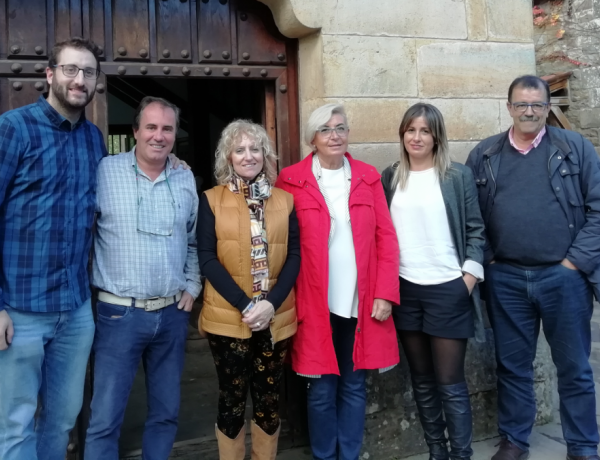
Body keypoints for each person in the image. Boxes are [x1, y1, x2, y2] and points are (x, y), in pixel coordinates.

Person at [466, 75, 600, 460]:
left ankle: (583, 445)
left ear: (545, 108)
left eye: (537, 105)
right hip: (506, 278)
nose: (529, 111)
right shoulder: (486, 154)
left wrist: (573, 263)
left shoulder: (575, 148)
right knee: (512, 367)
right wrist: (490, 259)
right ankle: (514, 440)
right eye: (521, 104)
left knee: (574, 366)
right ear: (508, 107)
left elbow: (597, 209)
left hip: (563, 280)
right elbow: (472, 216)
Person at [0, 38, 106, 460]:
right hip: (21, 309)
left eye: (88, 72)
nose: (79, 80)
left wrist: (170, 163)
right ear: (49, 75)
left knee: (61, 420)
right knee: (13, 422)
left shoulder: (95, 139)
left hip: (76, 310)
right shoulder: (13, 129)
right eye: (70, 69)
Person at [275, 103, 400, 460]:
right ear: (312, 138)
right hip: (313, 301)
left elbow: (385, 237)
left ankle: (349, 455)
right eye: (327, 129)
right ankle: (324, 456)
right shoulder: (291, 179)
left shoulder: (366, 175)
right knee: (320, 388)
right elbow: (279, 238)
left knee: (354, 385)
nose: (335, 135)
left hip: (359, 301)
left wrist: (385, 293)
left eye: (341, 128)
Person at [83, 96, 200, 460]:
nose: (159, 136)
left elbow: (195, 240)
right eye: (150, 127)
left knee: (165, 414)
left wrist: (193, 284)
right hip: (119, 315)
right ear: (135, 131)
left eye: (167, 128)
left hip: (171, 316)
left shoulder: (184, 177)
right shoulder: (104, 171)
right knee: (104, 419)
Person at [381, 103, 485, 460]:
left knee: (450, 384)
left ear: (436, 136)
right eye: (411, 130)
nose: (417, 137)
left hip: (448, 289)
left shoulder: (456, 176)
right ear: (402, 135)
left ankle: (461, 454)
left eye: (425, 130)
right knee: (422, 382)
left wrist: (467, 279)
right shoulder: (391, 177)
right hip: (406, 289)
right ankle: (437, 452)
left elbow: (476, 229)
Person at [197, 120, 300, 459]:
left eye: (255, 148)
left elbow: (295, 256)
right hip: (228, 319)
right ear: (228, 156)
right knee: (232, 397)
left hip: (275, 318)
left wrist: (269, 305)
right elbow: (208, 259)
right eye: (239, 149)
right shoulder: (211, 200)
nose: (248, 156)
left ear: (265, 154)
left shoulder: (286, 201)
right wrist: (246, 305)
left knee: (269, 398)